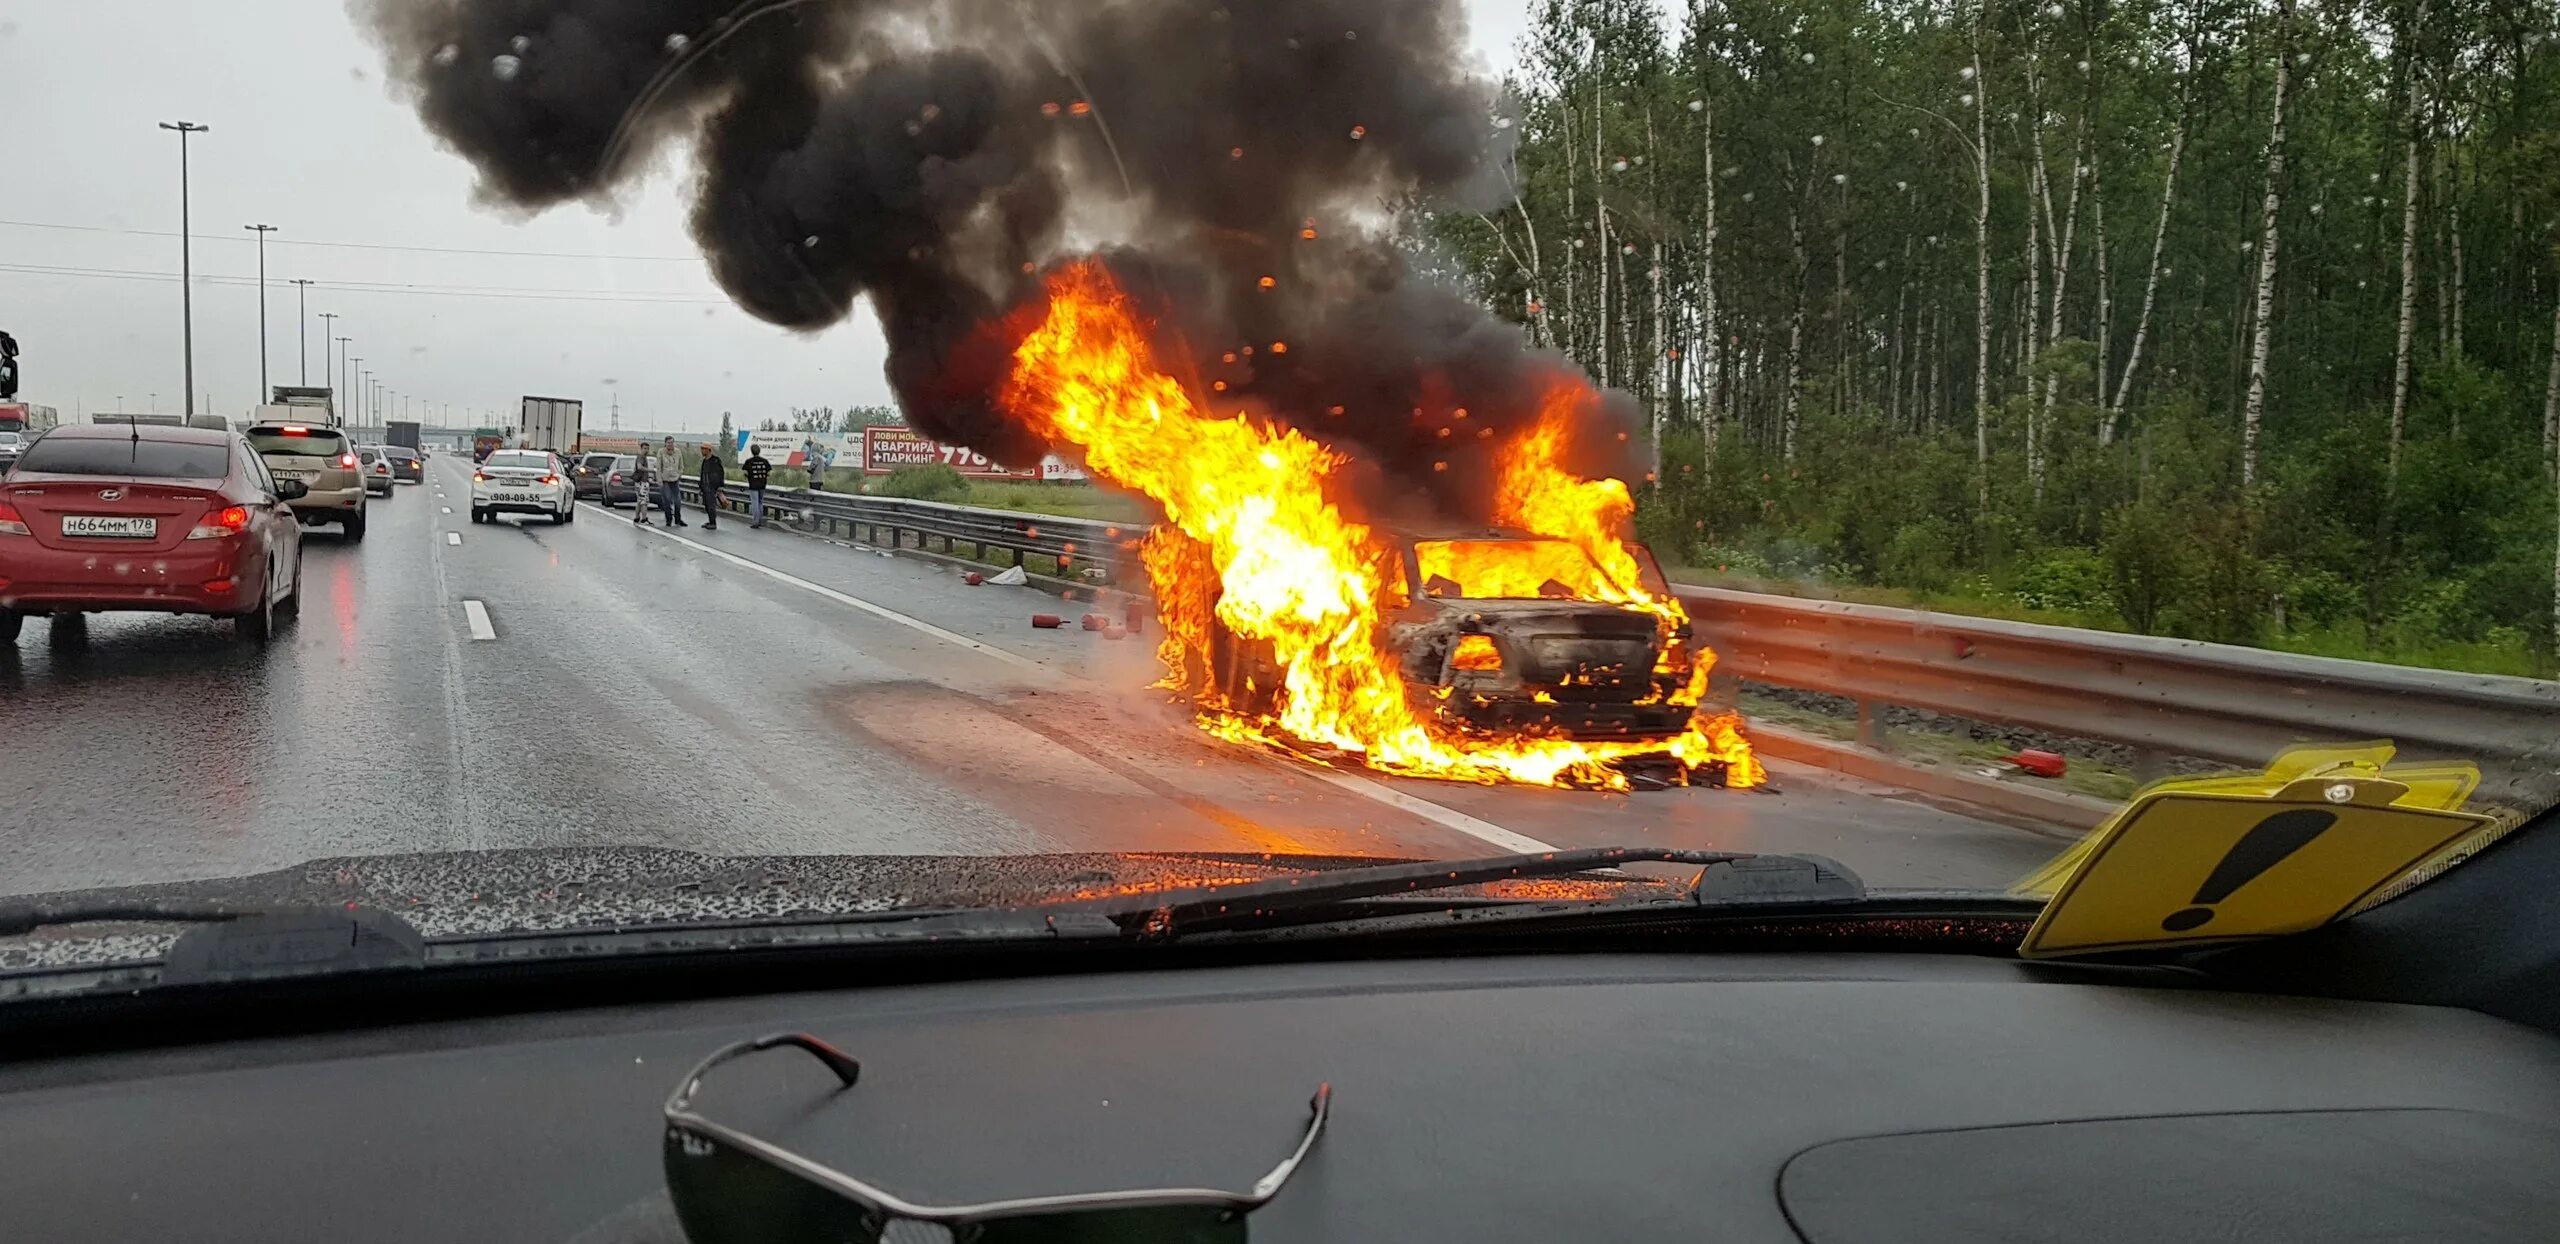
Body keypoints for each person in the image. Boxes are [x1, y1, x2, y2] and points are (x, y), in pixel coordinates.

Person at [657, 435, 687, 527]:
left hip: (675, 479)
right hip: (665, 480)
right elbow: (658, 467)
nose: (670, 445)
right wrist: (659, 479)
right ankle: (669, 519)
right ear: (665, 444)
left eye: (672, 442)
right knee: (667, 499)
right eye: (668, 443)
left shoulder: (677, 452)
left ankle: (678, 519)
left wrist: (679, 475)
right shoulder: (661, 452)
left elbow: (681, 466)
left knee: (678, 501)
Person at [743, 442, 773, 528]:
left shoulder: (749, 462)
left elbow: (745, 473)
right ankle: (760, 520)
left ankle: (755, 522)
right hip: (762, 484)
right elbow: (769, 473)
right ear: (759, 451)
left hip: (753, 485)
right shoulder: (765, 461)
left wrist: (749, 476)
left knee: (755, 503)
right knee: (760, 502)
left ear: (752, 452)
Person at [696, 443, 725, 531]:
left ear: (708, 450)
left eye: (703, 449)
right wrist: (701, 487)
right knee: (707, 505)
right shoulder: (705, 461)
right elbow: (702, 474)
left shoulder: (715, 460)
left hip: (712, 487)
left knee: (711, 505)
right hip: (705, 486)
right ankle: (710, 521)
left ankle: (713, 523)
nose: (702, 451)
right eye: (701, 449)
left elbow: (721, 473)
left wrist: (720, 486)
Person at [631, 441, 656, 526]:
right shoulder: (641, 457)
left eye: (647, 448)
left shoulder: (643, 457)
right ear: (641, 449)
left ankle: (637, 517)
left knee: (639, 500)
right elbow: (639, 467)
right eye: (645, 448)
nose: (646, 450)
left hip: (640, 482)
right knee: (644, 501)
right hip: (642, 482)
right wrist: (651, 470)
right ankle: (644, 518)